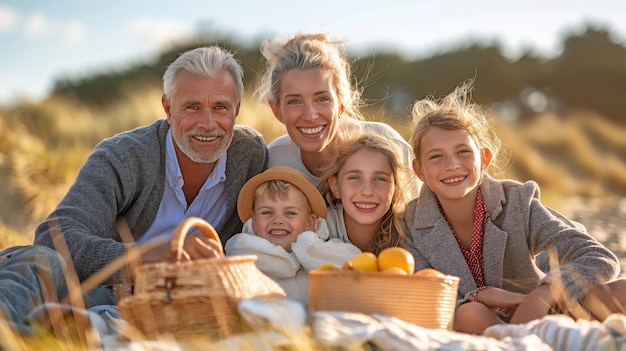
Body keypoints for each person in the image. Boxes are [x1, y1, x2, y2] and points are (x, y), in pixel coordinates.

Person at [0, 45, 267, 335]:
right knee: (41, 263)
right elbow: (55, 237)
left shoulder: (250, 156)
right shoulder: (122, 157)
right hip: (105, 296)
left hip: (188, 314)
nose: (207, 123)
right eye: (192, 107)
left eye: (220, 107)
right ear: (167, 108)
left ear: (236, 110)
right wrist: (143, 258)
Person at [401, 80, 626, 335]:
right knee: (468, 314)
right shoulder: (410, 224)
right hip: (480, 324)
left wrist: (544, 293)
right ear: (419, 170)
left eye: (463, 151)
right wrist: (476, 298)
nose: (452, 164)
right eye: (436, 156)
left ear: (484, 158)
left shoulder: (518, 202)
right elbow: (423, 297)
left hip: (547, 312)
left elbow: (600, 258)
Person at [256, 32, 420, 197]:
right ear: (277, 111)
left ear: (341, 104)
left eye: (322, 99)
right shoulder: (274, 161)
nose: (310, 116)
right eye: (294, 102)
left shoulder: (387, 144)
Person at [225, 166, 361, 305]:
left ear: (310, 222)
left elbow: (355, 264)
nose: (278, 220)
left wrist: (308, 248)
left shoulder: (322, 249)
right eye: (267, 213)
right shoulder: (244, 254)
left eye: (290, 213)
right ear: (254, 222)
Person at [317, 133, 410, 255]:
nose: (367, 191)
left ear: (396, 190)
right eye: (354, 177)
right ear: (335, 186)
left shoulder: (408, 232)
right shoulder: (319, 229)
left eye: (380, 179)